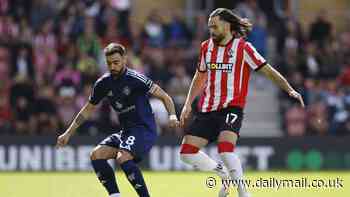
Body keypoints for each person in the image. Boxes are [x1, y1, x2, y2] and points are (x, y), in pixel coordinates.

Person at [179, 8, 304, 197]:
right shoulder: (206, 47)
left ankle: (243, 193)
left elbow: (268, 71)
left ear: (228, 25)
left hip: (232, 107)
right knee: (186, 154)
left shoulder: (243, 48)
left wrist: (289, 89)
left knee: (225, 148)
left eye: (215, 26)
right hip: (208, 109)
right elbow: (199, 76)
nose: (211, 30)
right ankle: (221, 172)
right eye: (209, 27)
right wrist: (188, 103)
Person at [56, 43, 179, 197]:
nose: (112, 66)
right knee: (96, 155)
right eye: (109, 63)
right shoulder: (103, 84)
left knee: (123, 157)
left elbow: (164, 96)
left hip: (143, 129)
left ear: (124, 59)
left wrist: (172, 115)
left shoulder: (136, 79)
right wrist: (68, 133)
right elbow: (88, 109)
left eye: (116, 62)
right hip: (126, 132)